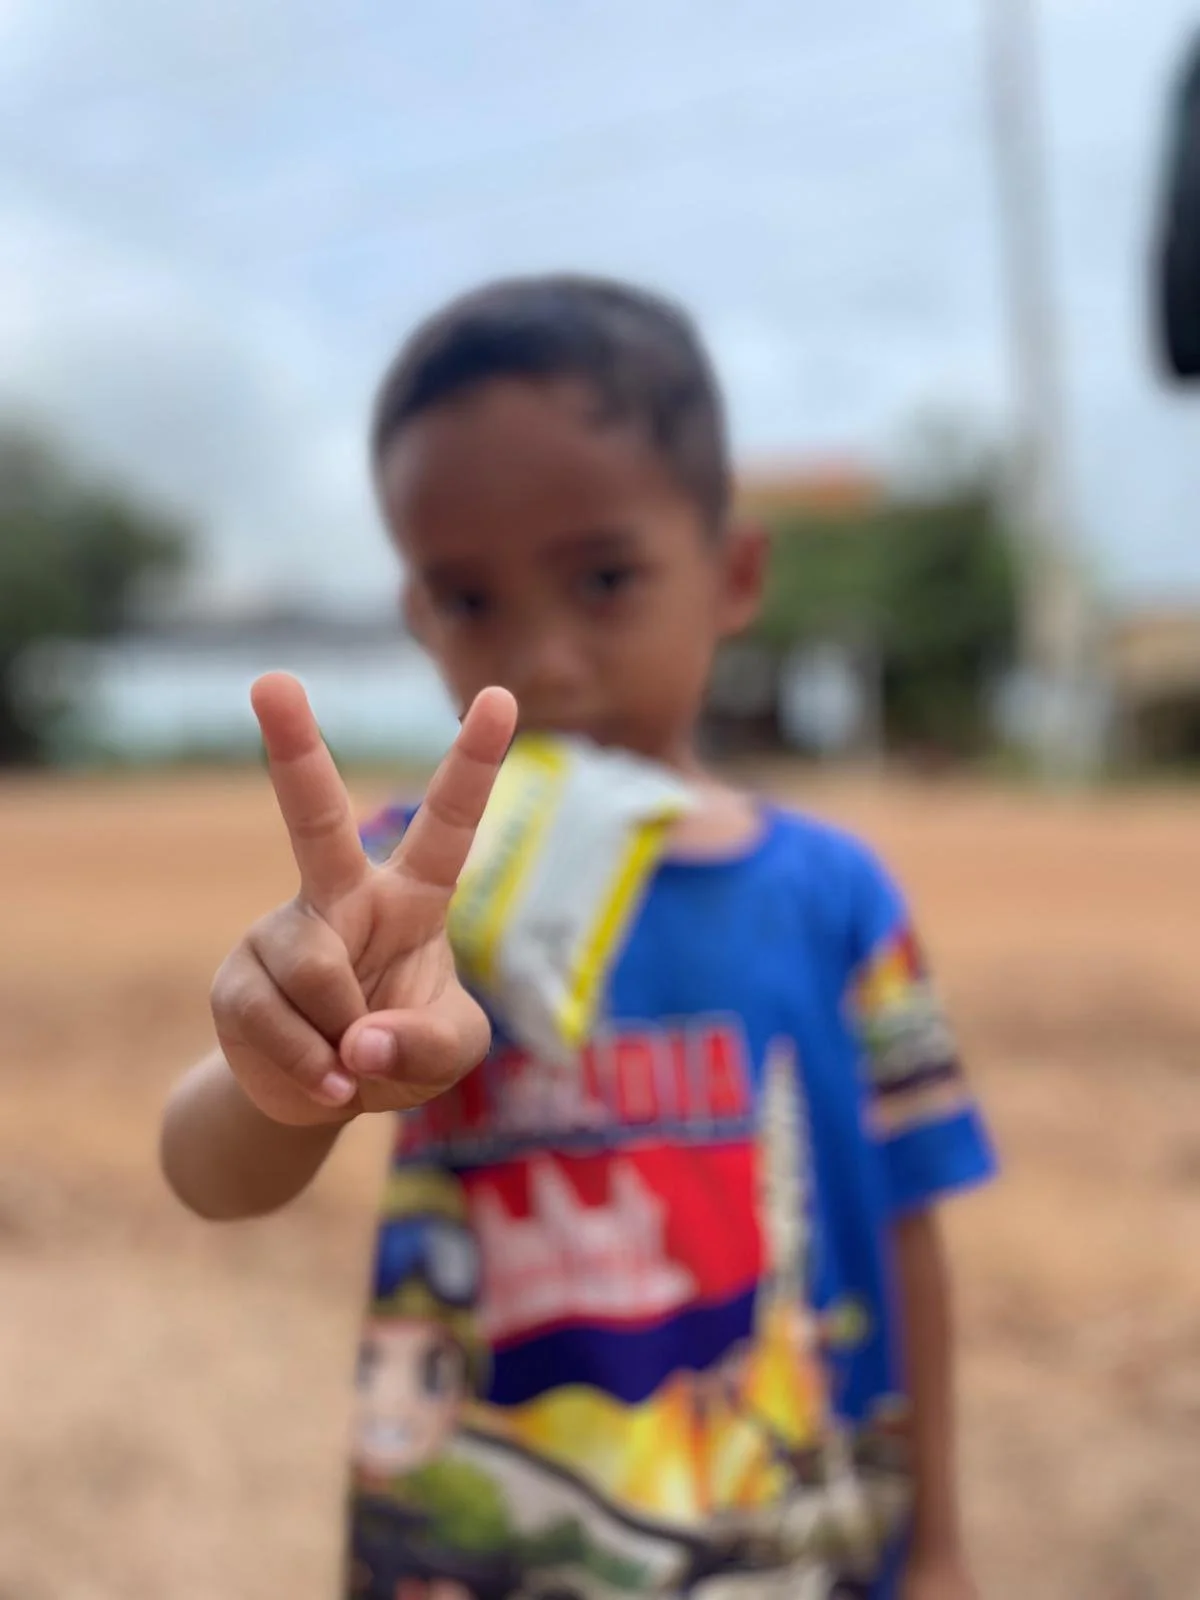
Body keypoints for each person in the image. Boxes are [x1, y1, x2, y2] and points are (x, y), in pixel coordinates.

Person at [160, 275, 997, 1600]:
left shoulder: (839, 898)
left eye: (603, 578)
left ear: (733, 575)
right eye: (470, 600)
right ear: (419, 618)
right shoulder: (398, 895)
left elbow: (909, 1237)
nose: (540, 662)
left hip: (797, 1555)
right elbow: (207, 1168)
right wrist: (284, 1070)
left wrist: (940, 1545)